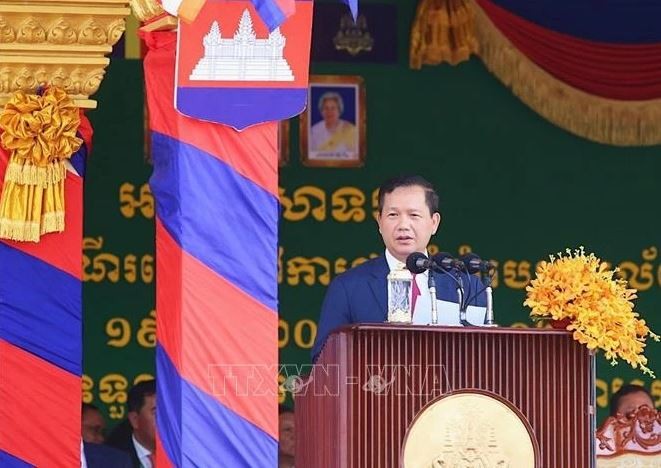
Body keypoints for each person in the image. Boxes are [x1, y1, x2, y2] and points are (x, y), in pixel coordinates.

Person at [311, 175, 487, 362]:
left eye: (414, 215)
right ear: (379, 221)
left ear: (434, 223)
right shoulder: (348, 287)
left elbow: (484, 359)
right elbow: (324, 361)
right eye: (393, 215)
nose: (403, 225)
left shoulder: (467, 287)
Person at [106, 379, 156, 468]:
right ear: (134, 420)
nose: (166, 422)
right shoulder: (110, 459)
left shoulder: (184, 451)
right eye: (156, 413)